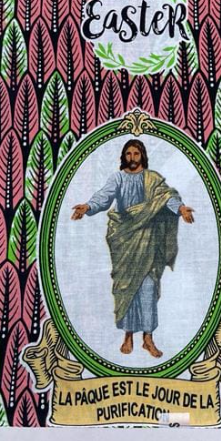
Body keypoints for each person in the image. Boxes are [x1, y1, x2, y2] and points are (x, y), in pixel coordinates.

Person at [71, 139, 194, 358]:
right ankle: (128, 336)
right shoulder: (118, 178)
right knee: (125, 288)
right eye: (128, 154)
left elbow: (167, 198)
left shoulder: (152, 178)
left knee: (147, 289)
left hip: (148, 241)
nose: (132, 158)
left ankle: (148, 338)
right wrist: (88, 206)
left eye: (136, 154)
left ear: (142, 155)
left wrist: (181, 209)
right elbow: (104, 196)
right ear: (124, 156)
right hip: (125, 240)